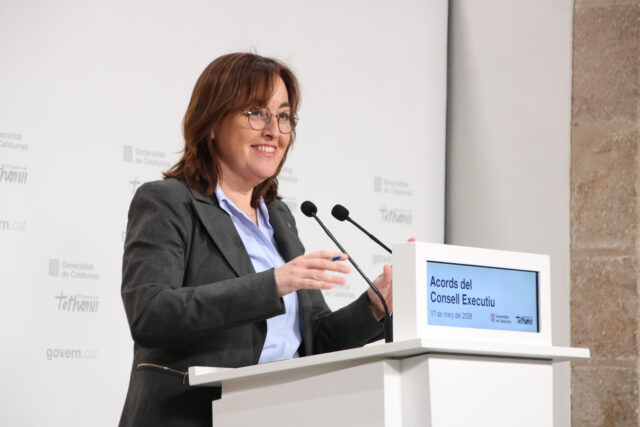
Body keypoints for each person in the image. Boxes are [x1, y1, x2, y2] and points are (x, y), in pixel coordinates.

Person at [118, 53, 393, 427]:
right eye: (256, 113)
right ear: (211, 124)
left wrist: (374, 307)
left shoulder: (278, 218)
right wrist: (272, 284)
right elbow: (150, 313)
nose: (274, 130)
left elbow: (315, 341)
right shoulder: (168, 202)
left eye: (283, 116)